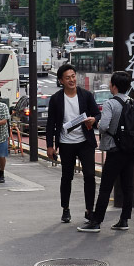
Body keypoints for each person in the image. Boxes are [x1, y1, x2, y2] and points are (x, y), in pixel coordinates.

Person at [83, 70, 134, 232]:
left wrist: (96, 124)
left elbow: (104, 126)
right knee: (127, 186)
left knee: (105, 186)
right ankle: (124, 219)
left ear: (114, 86)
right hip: (130, 150)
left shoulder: (110, 104)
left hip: (114, 150)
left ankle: (96, 221)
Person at [46, 63, 101, 223]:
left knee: (90, 175)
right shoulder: (56, 99)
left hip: (85, 141)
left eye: (73, 76)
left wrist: (94, 119)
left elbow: (97, 114)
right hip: (66, 142)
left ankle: (89, 209)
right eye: (67, 78)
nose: (71, 80)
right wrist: (50, 146)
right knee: (66, 176)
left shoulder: (86, 95)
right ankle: (65, 208)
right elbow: (50, 124)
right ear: (61, 81)